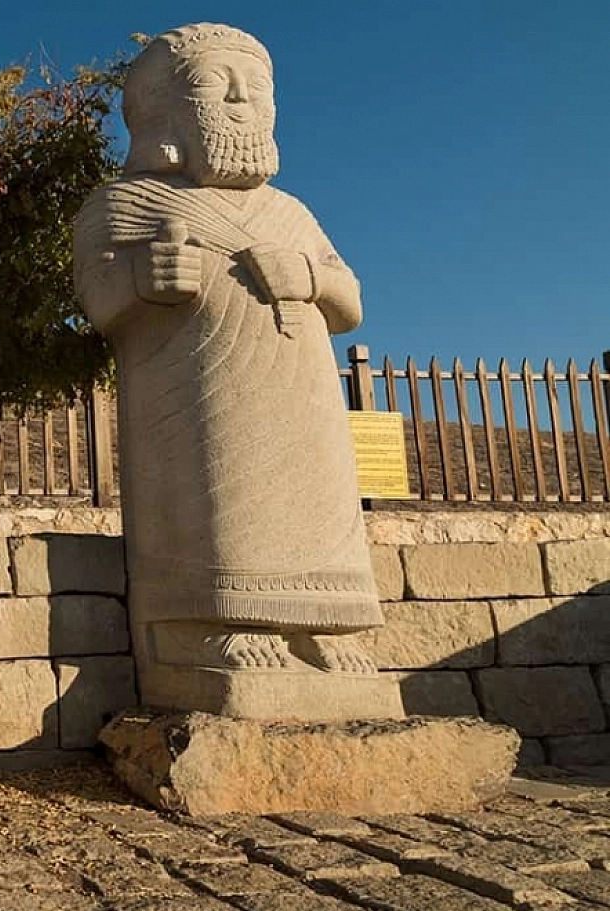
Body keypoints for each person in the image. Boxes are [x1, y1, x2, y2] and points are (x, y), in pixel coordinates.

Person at [74, 23, 396, 719]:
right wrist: (141, 274)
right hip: (197, 390)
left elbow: (352, 300)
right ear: (163, 113)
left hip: (302, 390)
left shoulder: (292, 213)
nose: (241, 100)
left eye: (255, 89)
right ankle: (216, 624)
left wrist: (310, 275)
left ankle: (324, 626)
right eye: (214, 86)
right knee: (221, 490)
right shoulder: (125, 203)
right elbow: (96, 295)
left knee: (318, 499)